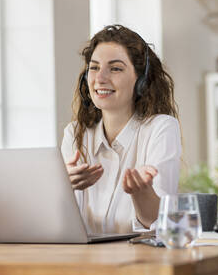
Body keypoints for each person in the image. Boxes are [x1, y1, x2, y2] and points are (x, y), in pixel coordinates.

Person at [61, 25, 181, 234]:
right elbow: (59, 226)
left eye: (115, 68)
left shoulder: (160, 128)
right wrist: (62, 187)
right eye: (94, 67)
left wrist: (141, 193)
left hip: (138, 262)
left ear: (141, 81)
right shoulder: (75, 134)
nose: (100, 78)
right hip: (82, 263)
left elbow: (159, 223)